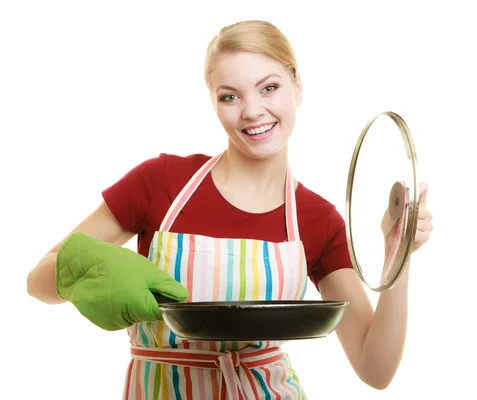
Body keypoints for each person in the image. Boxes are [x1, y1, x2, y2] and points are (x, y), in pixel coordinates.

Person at [26, 20, 434, 400]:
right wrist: (92, 271)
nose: (252, 111)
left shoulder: (318, 219)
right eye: (230, 96)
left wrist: (397, 259)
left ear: (298, 86)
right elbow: (37, 280)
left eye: (269, 87)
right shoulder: (161, 181)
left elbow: (374, 368)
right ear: (214, 102)